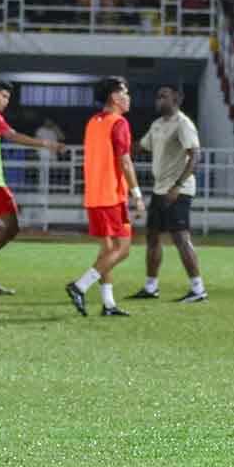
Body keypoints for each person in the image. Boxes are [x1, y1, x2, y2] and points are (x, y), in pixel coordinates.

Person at [65, 76, 145, 317]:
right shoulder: (118, 123)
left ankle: (108, 303)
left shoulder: (93, 122)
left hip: (94, 197)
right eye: (125, 92)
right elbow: (125, 160)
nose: (128, 97)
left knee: (108, 250)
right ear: (114, 96)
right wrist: (137, 194)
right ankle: (80, 286)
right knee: (124, 248)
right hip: (111, 196)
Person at [0, 79, 65, 295]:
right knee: (12, 227)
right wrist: (47, 144)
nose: (6, 101)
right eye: (3, 96)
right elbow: (12, 136)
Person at [127, 86, 208, 303]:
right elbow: (141, 147)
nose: (158, 99)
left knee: (181, 238)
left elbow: (195, 156)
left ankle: (198, 289)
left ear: (176, 100)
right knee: (153, 237)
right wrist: (121, 143)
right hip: (160, 189)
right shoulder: (157, 125)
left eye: (163, 96)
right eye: (158, 95)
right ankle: (151, 287)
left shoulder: (183, 123)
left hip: (178, 190)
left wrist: (178, 185)